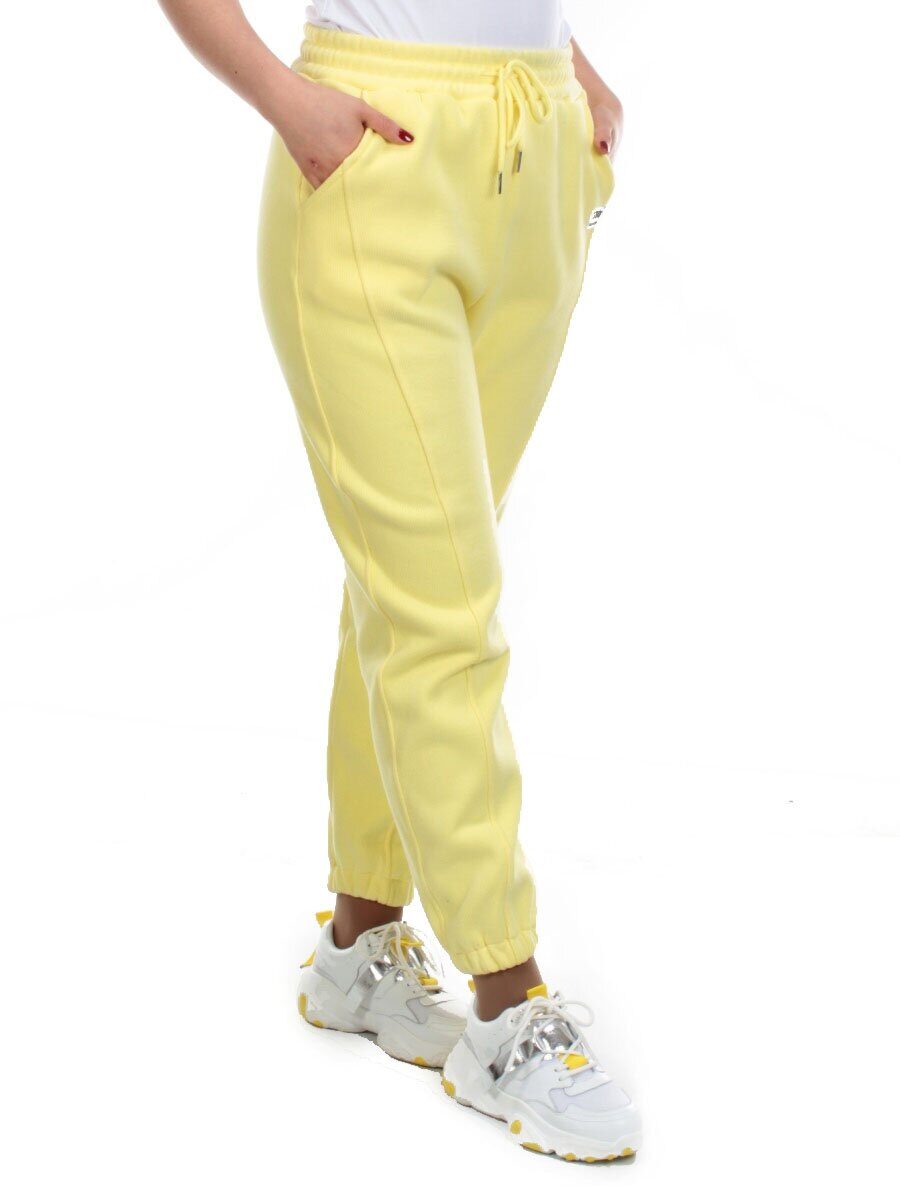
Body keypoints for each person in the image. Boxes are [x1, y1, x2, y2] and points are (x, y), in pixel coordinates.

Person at [159, 0, 640, 1163]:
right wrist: (288, 102)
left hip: (536, 154)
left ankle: (360, 940)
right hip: (375, 153)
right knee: (444, 611)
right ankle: (509, 1002)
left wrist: (571, 68)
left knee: (411, 583)